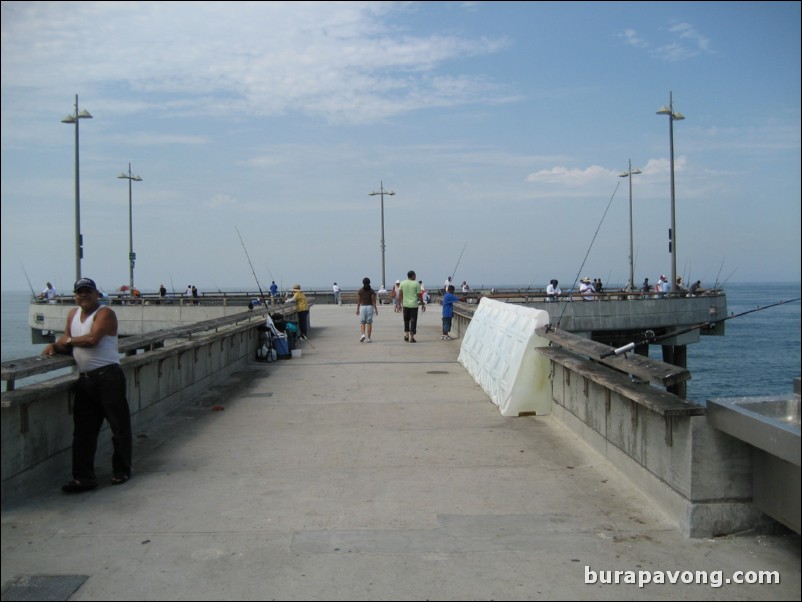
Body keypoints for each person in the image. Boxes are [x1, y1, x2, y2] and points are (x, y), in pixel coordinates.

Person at [42, 278, 132, 493]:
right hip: (85, 380)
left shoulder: (105, 314)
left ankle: (122, 470)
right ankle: (83, 478)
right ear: (75, 296)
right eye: (79, 292)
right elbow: (67, 342)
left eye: (88, 291)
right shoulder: (73, 314)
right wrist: (54, 346)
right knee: (83, 432)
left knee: (119, 427)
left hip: (109, 377)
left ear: (96, 294)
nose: (83, 295)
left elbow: (92, 340)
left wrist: (67, 341)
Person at [398, 270, 425, 342]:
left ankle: (406, 335)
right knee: (413, 320)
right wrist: (422, 304)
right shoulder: (416, 284)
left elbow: (400, 295)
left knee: (406, 320)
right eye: (415, 275)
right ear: (412, 276)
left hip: (405, 305)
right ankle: (411, 337)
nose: (415, 276)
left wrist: (399, 304)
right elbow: (419, 296)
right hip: (414, 305)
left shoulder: (402, 283)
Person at [356, 277, 378, 342]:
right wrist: (376, 309)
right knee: (369, 323)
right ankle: (368, 338)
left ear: (363, 283)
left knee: (362, 322)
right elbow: (373, 301)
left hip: (362, 307)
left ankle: (363, 334)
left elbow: (359, 301)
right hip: (370, 307)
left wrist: (357, 309)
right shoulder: (372, 291)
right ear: (369, 283)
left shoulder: (360, 291)